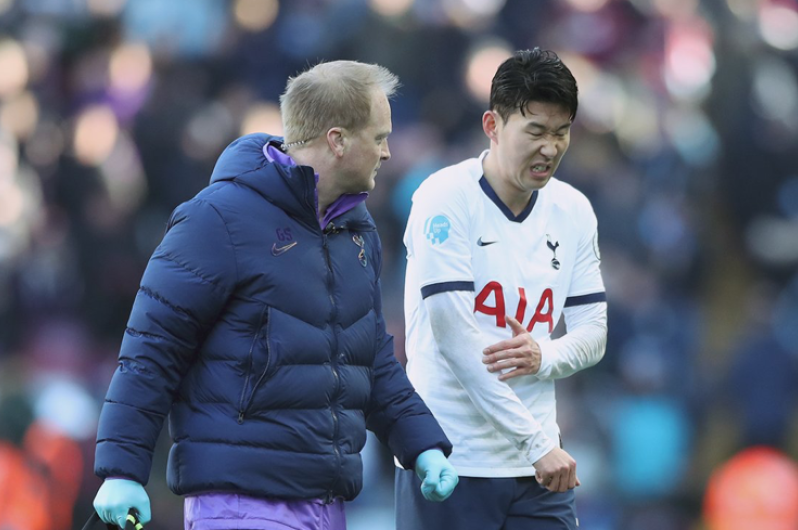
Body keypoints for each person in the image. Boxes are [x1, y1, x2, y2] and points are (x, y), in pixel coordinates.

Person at [92, 60, 457, 530]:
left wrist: (422, 445)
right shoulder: (216, 219)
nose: (387, 152)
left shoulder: (358, 231)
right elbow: (152, 350)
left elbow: (371, 361)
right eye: (379, 137)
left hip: (328, 504)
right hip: (241, 504)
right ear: (337, 140)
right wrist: (121, 470)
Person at [396, 48, 607, 530]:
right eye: (535, 131)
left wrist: (544, 355)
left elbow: (594, 332)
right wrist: (536, 444)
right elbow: (455, 339)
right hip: (451, 462)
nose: (550, 148)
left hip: (541, 474)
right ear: (492, 125)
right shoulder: (444, 199)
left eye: (561, 132)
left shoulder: (574, 210)